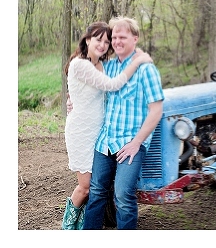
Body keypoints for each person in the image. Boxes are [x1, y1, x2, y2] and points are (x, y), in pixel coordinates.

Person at [61, 22, 153, 230]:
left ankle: (84, 226)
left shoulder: (102, 64)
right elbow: (112, 85)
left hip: (99, 133)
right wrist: (138, 62)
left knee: (97, 186)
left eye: (105, 40)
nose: (102, 44)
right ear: (87, 40)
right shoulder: (80, 64)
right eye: (97, 39)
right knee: (85, 187)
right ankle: (67, 228)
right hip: (81, 132)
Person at [81, 17, 165, 230]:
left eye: (123, 37)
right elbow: (88, 92)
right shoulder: (106, 67)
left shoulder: (146, 70)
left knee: (122, 194)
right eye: (114, 37)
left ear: (135, 39)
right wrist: (72, 101)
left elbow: (156, 111)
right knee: (97, 190)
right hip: (105, 142)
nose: (117, 41)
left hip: (130, 144)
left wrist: (137, 143)